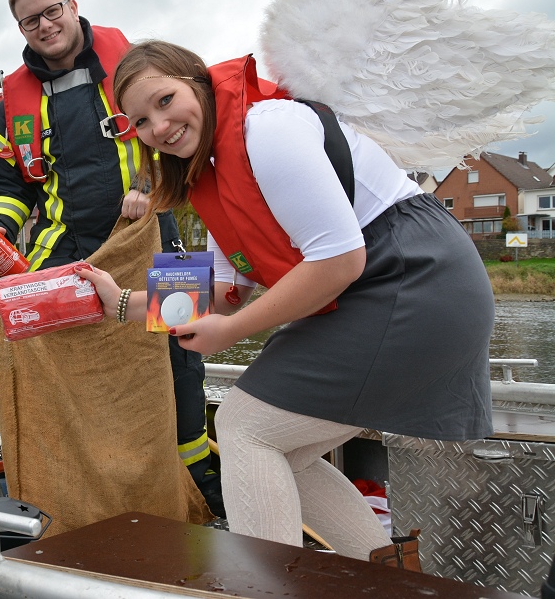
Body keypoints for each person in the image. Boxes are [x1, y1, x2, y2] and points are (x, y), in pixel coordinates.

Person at [77, 40, 494, 566]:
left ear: (199, 83)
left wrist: (231, 333)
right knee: (282, 450)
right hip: (379, 282)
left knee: (243, 426)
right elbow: (226, 291)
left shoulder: (266, 129)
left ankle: (266, 587)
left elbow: (339, 261)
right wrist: (122, 304)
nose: (158, 127)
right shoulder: (210, 173)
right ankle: (394, 580)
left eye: (165, 100)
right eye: (139, 121)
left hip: (413, 276)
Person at [0, 0, 223, 518]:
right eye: (30, 20)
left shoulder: (136, 66)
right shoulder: (13, 101)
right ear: (20, 28)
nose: (45, 25)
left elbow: (183, 135)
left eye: (52, 10)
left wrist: (147, 188)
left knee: (185, 348)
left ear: (73, 6)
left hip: (161, 235)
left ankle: (197, 491)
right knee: (59, 367)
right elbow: (1, 181)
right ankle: (81, 498)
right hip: (66, 249)